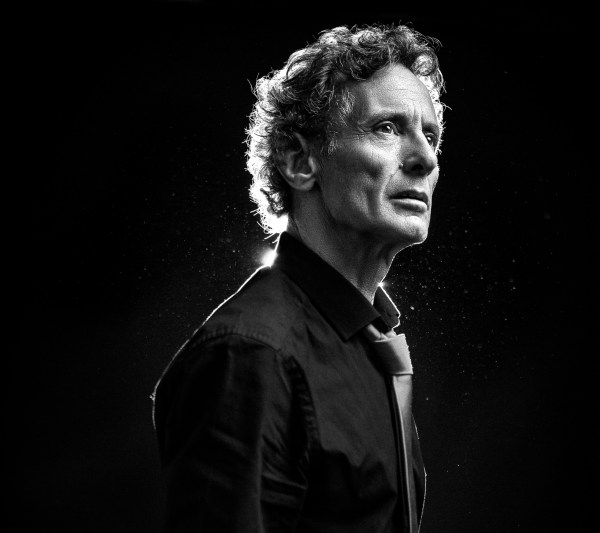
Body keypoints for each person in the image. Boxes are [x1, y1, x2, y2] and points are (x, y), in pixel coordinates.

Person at [153, 22, 445, 533]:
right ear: (298, 160)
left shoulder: (366, 343)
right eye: (387, 127)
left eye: (431, 135)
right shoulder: (252, 353)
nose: (425, 158)